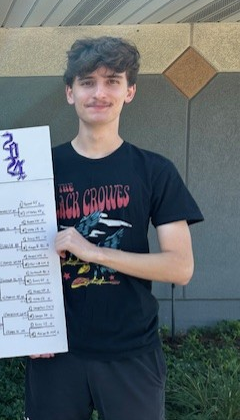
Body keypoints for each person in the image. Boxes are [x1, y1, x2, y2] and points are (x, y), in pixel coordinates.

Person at [25, 37, 203, 420]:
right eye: (88, 82)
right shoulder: (38, 168)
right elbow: (9, 253)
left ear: (131, 91)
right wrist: (26, 328)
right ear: (70, 92)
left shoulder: (155, 171)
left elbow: (180, 267)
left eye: (113, 81)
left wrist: (94, 252)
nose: (99, 92)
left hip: (131, 352)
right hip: (56, 352)